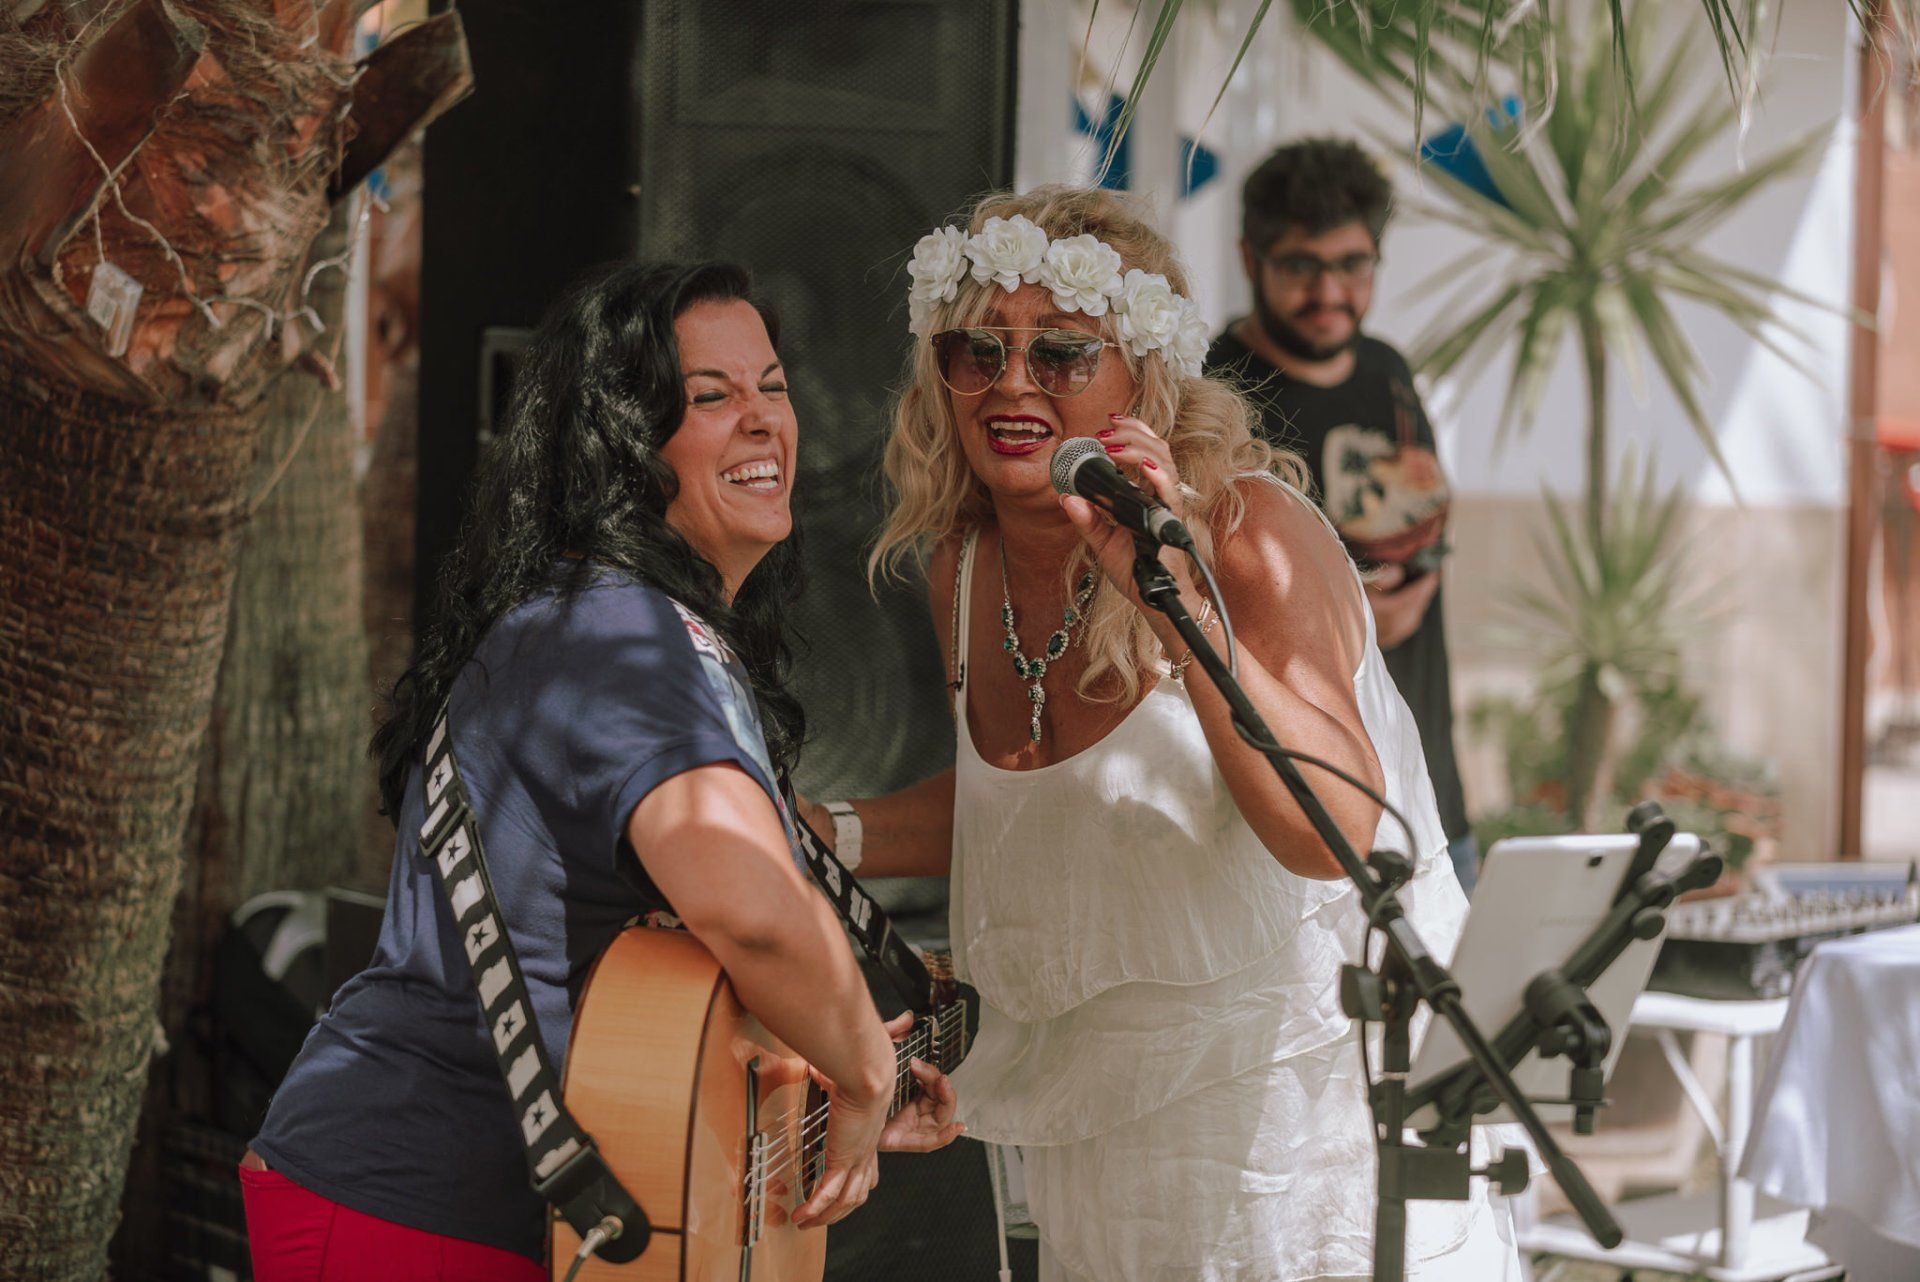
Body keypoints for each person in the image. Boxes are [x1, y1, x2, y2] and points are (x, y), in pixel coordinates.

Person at [802, 187, 1519, 1280]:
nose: (1013, 383)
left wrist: (1174, 602)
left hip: (1300, 1120)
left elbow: (1339, 834)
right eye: (978, 351)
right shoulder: (962, 566)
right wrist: (827, 832)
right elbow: (1033, 809)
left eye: (1061, 353)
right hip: (1109, 1133)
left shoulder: (1246, 534)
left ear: (1144, 375)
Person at [242, 261, 962, 1281]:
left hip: (495, 1210)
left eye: (772, 386)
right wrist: (864, 1067)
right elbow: (753, 911)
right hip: (409, 1205)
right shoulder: (624, 636)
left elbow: (652, 987)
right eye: (709, 396)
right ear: (621, 444)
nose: (763, 418)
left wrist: (820, 1072)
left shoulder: (613, 621)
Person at [1205, 137, 1478, 896]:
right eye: (1301, 265)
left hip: (1433, 794)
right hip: (1309, 820)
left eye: (1353, 264)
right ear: (1250, 258)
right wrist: (1357, 618)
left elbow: (1420, 525)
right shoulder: (1215, 397)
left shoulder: (1388, 370)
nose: (1330, 292)